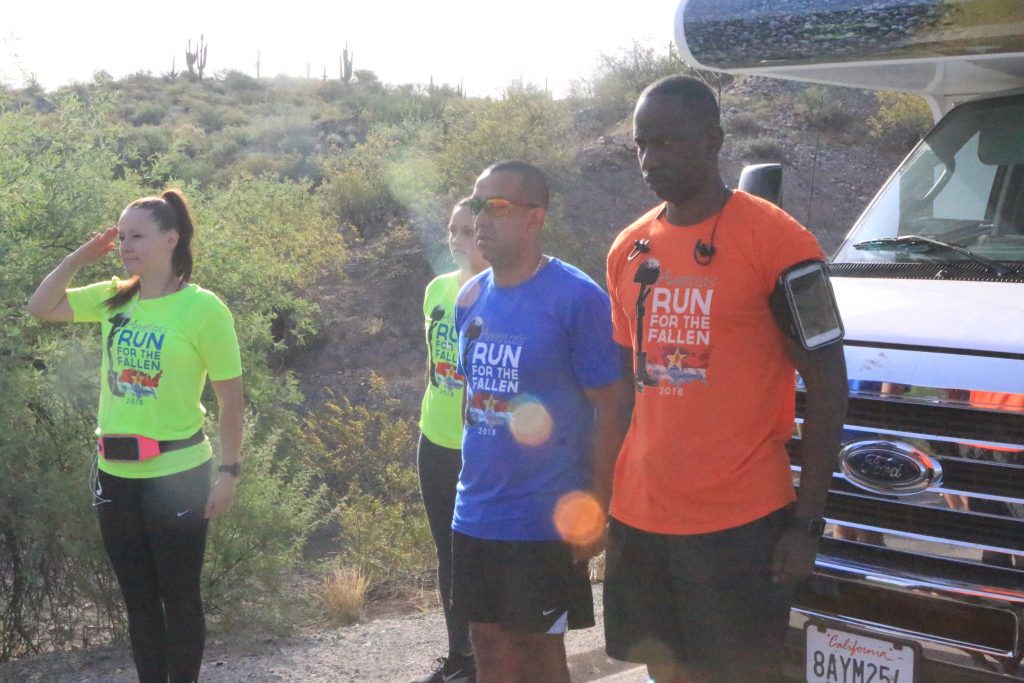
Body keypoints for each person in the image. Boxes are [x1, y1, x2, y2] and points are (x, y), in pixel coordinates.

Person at [602, 75, 848, 683]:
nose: (650, 160)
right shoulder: (628, 249)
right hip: (643, 515)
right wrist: (604, 500)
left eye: (667, 142)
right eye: (641, 144)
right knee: (665, 671)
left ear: (713, 140)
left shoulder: (781, 242)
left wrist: (807, 523)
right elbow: (625, 393)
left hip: (739, 524)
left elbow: (828, 385)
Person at [27, 189, 243, 683]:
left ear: (171, 239)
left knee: (180, 597)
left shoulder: (203, 309)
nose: (125, 246)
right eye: (121, 237)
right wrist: (81, 256)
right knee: (139, 602)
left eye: (137, 236)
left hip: (178, 474)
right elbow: (41, 306)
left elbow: (231, 399)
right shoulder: (114, 297)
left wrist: (229, 473)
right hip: (115, 474)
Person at [451, 160, 624, 682]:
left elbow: (613, 406)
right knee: (486, 645)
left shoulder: (577, 299)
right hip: (475, 513)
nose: (481, 218)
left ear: (535, 218)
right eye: (477, 205)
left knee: (537, 653)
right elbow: (471, 401)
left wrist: (598, 507)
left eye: (497, 207)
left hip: (542, 518)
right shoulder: (470, 297)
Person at [412, 198, 488, 683]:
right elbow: (433, 365)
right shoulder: (437, 290)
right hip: (436, 440)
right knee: (449, 553)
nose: (457, 240)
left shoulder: (501, 292)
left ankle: (493, 660)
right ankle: (460, 658)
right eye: (452, 229)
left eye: (468, 231)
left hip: (483, 445)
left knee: (482, 553)